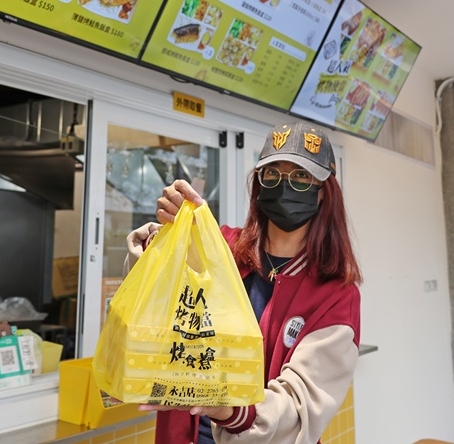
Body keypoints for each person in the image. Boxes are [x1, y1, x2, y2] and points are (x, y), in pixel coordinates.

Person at [124, 121, 362, 444]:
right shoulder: (221, 247)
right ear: (259, 185)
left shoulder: (336, 296)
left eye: (301, 176)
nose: (284, 186)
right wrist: (168, 235)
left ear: (324, 193)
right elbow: (150, 295)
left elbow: (298, 409)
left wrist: (226, 408)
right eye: (272, 173)